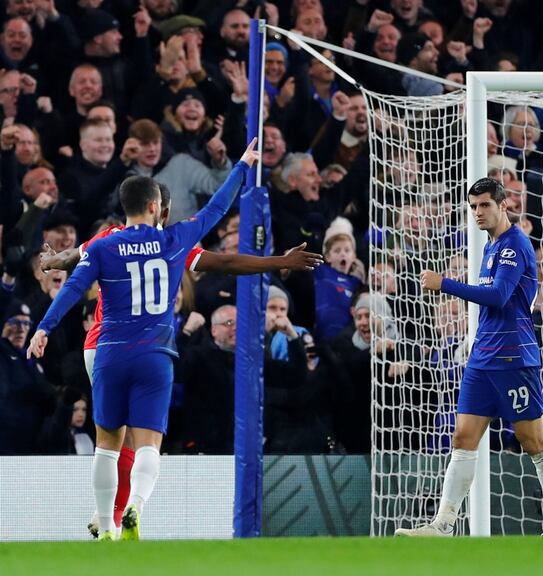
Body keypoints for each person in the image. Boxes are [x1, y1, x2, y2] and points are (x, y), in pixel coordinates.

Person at [39, 183, 322, 537]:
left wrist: (51, 262)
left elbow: (77, 257)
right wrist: (280, 261)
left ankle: (106, 515)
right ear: (161, 210)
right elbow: (228, 261)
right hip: (145, 349)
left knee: (112, 438)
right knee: (135, 439)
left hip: (100, 347)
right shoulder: (172, 244)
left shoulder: (110, 237)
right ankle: (118, 512)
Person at [27, 139, 260, 541]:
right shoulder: (174, 240)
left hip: (109, 353)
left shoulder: (102, 245)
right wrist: (240, 167)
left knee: (107, 444)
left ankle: (104, 526)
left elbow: (70, 289)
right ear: (156, 206)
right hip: (154, 354)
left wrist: (44, 328)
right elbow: (217, 209)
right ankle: (135, 505)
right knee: (149, 443)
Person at [396, 177, 543, 536]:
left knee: (533, 441)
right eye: (473, 207)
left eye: (484, 205)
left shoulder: (514, 246)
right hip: (483, 357)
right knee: (463, 436)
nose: (478, 213)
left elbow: (498, 296)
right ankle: (443, 525)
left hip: (513, 357)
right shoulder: (490, 246)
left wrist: (444, 283)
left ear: (502, 205)